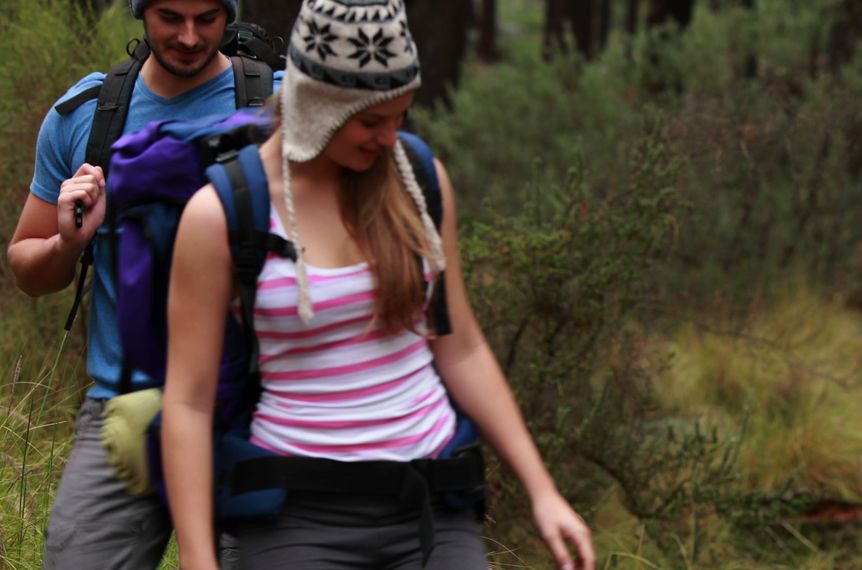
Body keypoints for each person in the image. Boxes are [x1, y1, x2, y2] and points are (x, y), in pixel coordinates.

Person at [161, 0, 596, 568]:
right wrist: (198, 560)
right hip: (296, 513)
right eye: (370, 121)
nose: (390, 138)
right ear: (316, 103)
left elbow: (460, 346)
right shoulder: (223, 212)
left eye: (401, 115)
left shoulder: (418, 181)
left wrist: (543, 491)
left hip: (433, 503)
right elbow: (187, 404)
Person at [5, 0, 280, 566]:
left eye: (207, 18)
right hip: (125, 407)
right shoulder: (87, 112)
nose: (188, 35)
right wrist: (67, 242)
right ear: (141, 11)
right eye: (169, 16)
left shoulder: (280, 103)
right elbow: (28, 269)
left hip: (257, 407)